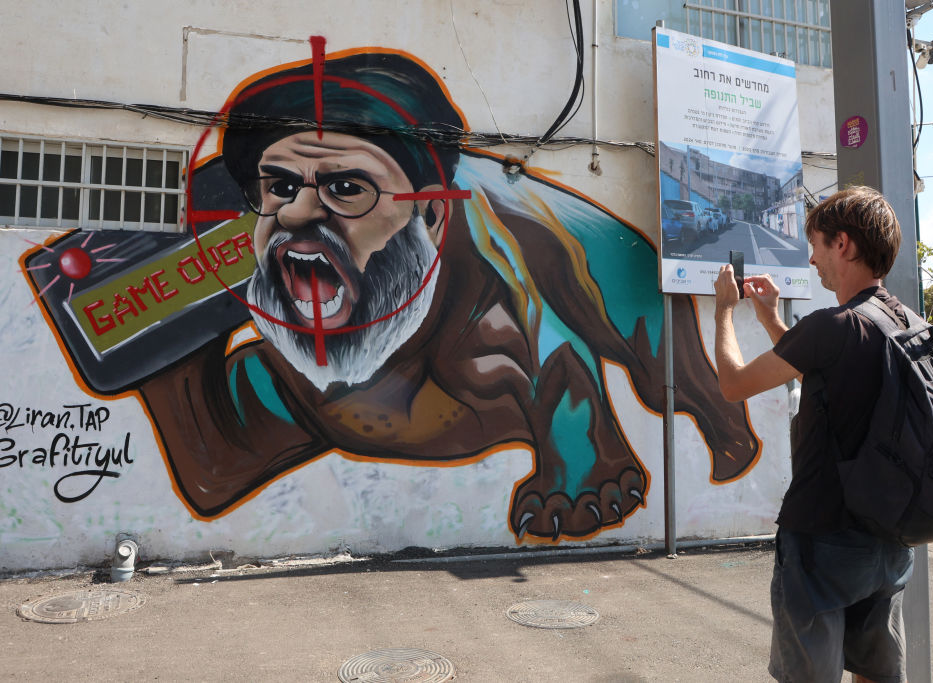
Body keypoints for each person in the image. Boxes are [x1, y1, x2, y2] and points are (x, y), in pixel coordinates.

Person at [123, 48, 763, 534]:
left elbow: (556, 353)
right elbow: (212, 472)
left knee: (631, 328)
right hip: (382, 379)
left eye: (347, 188)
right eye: (280, 188)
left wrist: (579, 456)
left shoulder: (489, 305)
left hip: (504, 253)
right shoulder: (276, 336)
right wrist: (156, 339)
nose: (295, 214)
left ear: (428, 215)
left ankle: (717, 415)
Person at [713, 186, 915, 682]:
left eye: (817, 245)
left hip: (822, 538)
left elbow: (733, 384)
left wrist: (724, 310)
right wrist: (771, 320)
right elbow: (823, 379)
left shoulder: (832, 326)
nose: (812, 258)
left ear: (842, 244)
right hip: (889, 537)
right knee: (877, 673)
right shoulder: (905, 322)